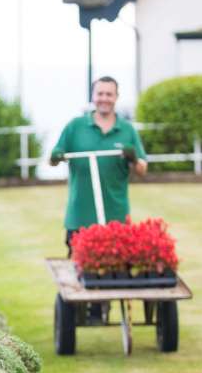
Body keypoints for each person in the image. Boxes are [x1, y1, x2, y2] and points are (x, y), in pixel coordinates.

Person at [50, 76, 148, 256]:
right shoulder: (75, 126)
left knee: (117, 270)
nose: (104, 98)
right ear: (93, 96)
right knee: (78, 270)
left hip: (116, 215)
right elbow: (53, 159)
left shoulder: (127, 129)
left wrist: (133, 158)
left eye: (109, 94)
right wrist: (56, 156)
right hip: (80, 216)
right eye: (100, 93)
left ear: (116, 97)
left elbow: (142, 169)